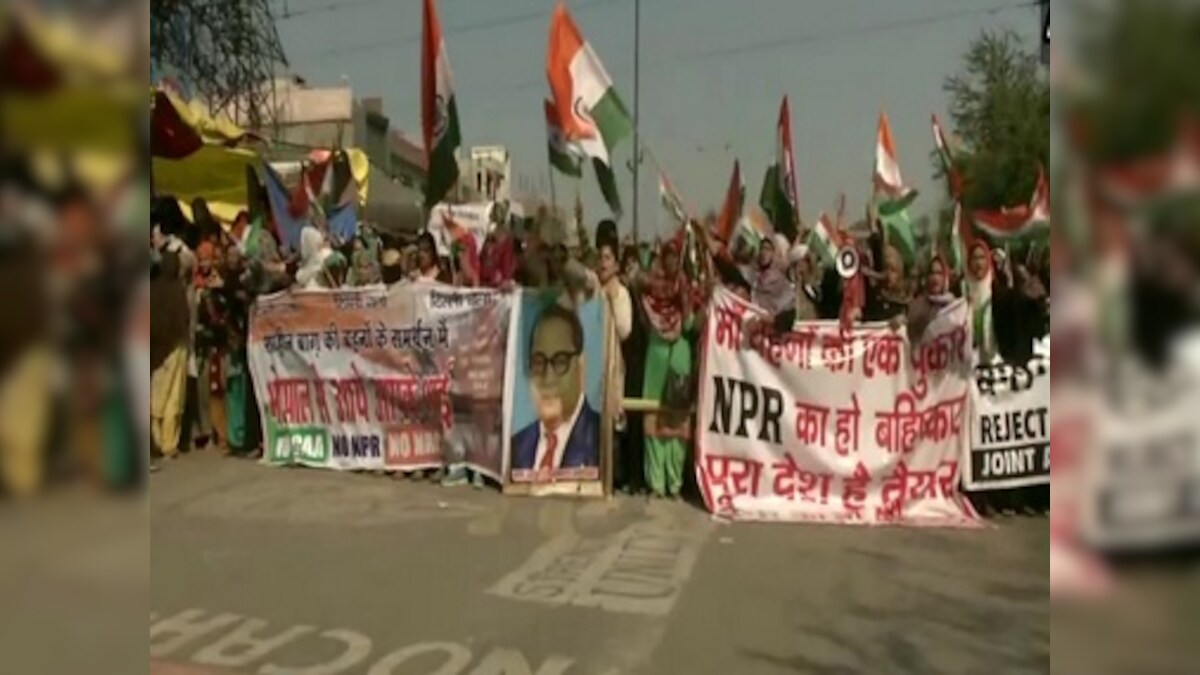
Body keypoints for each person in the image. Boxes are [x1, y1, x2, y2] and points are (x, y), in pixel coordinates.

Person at [509, 303, 601, 475]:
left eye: (560, 362)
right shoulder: (516, 447)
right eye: (538, 362)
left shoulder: (601, 440)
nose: (548, 378)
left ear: (581, 367)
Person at [640, 239, 695, 499]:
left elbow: (689, 321)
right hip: (657, 352)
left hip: (678, 353)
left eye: (675, 256)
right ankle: (657, 483)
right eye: (668, 256)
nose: (672, 261)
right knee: (653, 414)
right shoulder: (650, 287)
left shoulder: (684, 286)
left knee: (677, 416)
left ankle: (674, 483)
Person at [150, 248, 190, 462]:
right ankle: (169, 444)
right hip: (176, 347)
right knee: (173, 397)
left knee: (156, 396)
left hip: (156, 352)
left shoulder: (152, 289)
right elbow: (184, 319)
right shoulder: (178, 289)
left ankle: (155, 441)